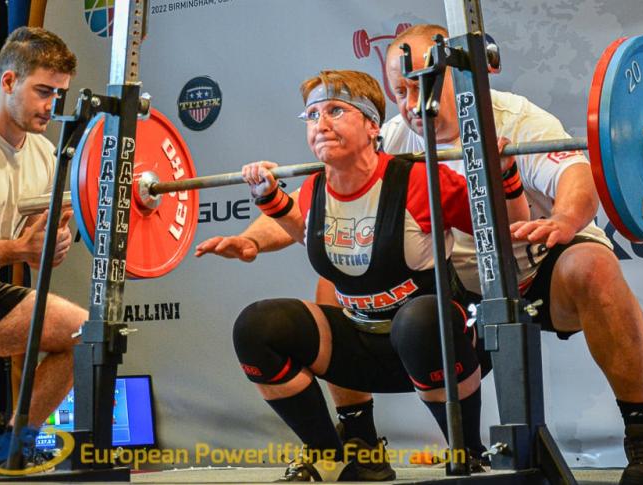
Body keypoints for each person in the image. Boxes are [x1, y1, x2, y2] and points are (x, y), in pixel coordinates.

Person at [198, 24, 643, 485]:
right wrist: (252, 239)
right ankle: (359, 443)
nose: (411, 104)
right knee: (336, 279)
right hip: (464, 290)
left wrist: (565, 220)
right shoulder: (392, 136)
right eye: (400, 92)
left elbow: (575, 175)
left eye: (422, 87)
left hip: (535, 266)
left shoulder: (513, 119)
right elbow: (320, 208)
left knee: (592, 265)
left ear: (459, 77)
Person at [224, 69, 528, 481]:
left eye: (335, 111)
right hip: (361, 344)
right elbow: (308, 235)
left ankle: (467, 451)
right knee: (257, 327)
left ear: (372, 125)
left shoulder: (420, 180)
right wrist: (269, 199)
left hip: (439, 344)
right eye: (312, 115)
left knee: (418, 320)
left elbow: (510, 229)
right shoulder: (314, 189)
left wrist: (506, 175)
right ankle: (335, 456)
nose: (321, 124)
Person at [0, 27, 85, 470]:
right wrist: (20, 249)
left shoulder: (44, 154)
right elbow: (20, 247)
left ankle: (12, 451)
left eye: (58, 94)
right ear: (9, 81)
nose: (51, 105)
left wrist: (55, 239)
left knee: (84, 333)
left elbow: (40, 234)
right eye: (43, 91)